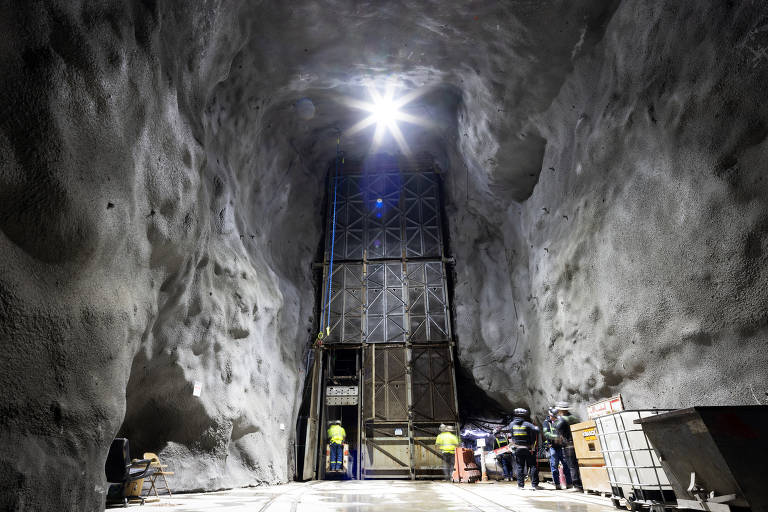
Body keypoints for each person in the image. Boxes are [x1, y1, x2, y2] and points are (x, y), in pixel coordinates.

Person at [507, 408, 540, 490]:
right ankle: (534, 485)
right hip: (528, 449)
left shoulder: (511, 424)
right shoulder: (527, 424)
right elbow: (537, 430)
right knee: (532, 466)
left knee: (520, 467)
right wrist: (532, 440)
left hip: (517, 449)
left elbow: (511, 434)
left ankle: (520, 485)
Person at [555, 402, 583, 490]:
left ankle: (577, 485)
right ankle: (581, 482)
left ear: (561, 410)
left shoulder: (562, 420)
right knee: (578, 464)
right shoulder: (573, 417)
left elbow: (557, 429)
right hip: (577, 443)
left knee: (572, 465)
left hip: (568, 445)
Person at [543, 406, 572, 489]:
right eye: (553, 416)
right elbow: (546, 433)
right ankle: (557, 484)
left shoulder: (560, 421)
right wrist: (556, 437)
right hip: (553, 447)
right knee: (554, 466)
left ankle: (569, 484)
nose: (553, 418)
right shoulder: (546, 423)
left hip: (562, 446)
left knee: (566, 465)